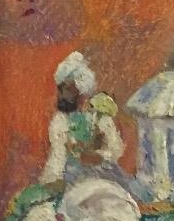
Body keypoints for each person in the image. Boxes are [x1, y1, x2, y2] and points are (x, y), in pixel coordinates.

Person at [39, 51, 127, 186]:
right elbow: (57, 158)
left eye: (67, 89)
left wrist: (99, 156)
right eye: (61, 89)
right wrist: (52, 182)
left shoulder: (99, 116)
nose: (61, 95)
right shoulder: (60, 121)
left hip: (101, 178)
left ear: (80, 88)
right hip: (70, 181)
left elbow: (116, 149)